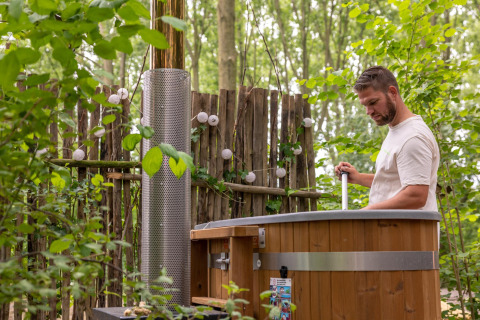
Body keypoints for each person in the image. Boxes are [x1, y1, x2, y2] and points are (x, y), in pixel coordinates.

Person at [334, 66, 440, 210]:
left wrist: (366, 213)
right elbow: (394, 184)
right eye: (364, 105)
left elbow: (416, 195)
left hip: (411, 232)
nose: (368, 112)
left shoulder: (413, 137)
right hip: (392, 230)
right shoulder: (398, 131)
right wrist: (358, 177)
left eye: (373, 102)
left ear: (392, 92)